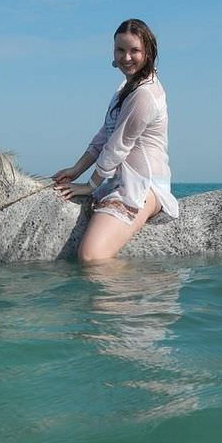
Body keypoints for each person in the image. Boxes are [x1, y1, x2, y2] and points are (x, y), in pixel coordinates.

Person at [53, 18, 179, 263]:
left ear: (148, 52)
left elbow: (117, 147)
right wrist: (75, 170)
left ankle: (140, 290)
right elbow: (104, 135)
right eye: (120, 50)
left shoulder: (145, 94)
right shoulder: (126, 86)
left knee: (91, 256)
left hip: (143, 185)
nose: (126, 57)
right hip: (117, 178)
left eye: (135, 50)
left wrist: (89, 186)